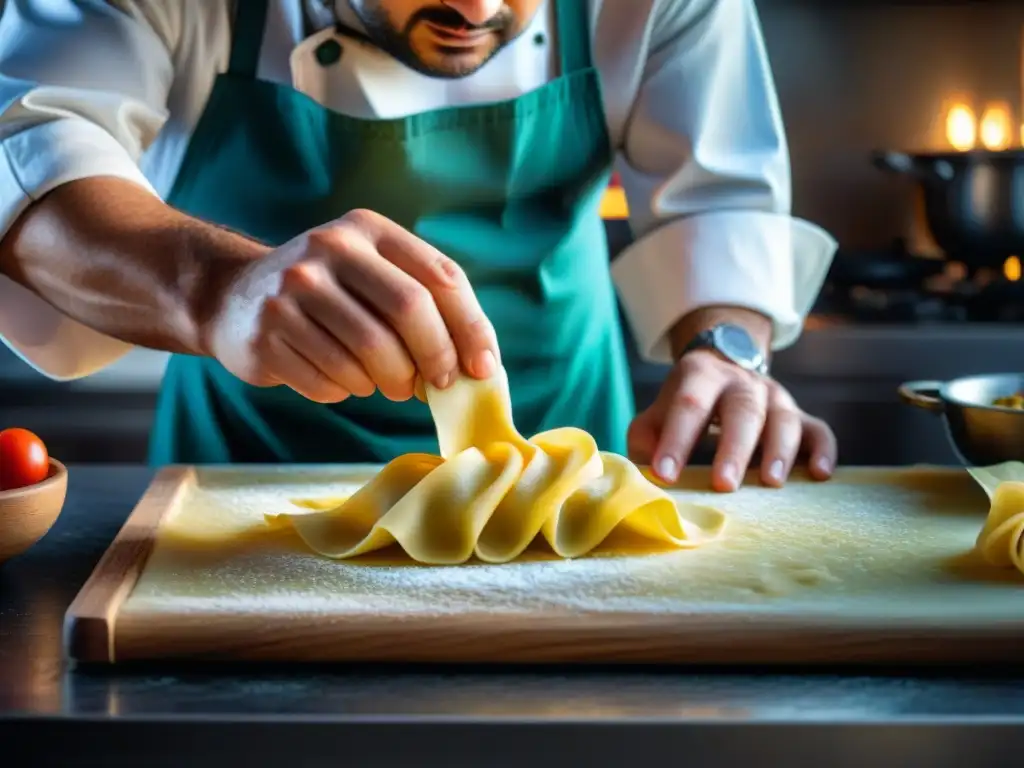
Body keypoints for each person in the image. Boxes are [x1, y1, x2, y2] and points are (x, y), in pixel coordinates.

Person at [0, 0, 838, 492]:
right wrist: (220, 288)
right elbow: (28, 136)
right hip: (244, 483)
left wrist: (727, 349)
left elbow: (720, 195)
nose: (476, 10)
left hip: (568, 470)